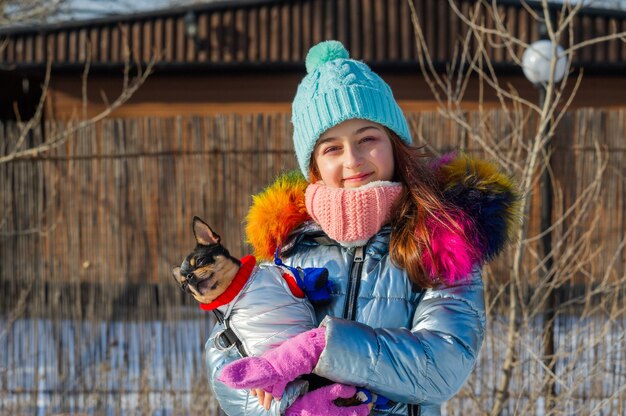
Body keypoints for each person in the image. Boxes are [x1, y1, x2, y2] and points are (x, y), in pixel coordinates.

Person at [205, 40, 521, 416]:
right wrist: (292, 411)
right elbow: (231, 359)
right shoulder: (286, 247)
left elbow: (443, 363)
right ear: (314, 166)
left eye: (367, 139)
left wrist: (323, 348)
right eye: (332, 148)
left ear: (394, 144)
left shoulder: (440, 238)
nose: (353, 160)